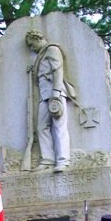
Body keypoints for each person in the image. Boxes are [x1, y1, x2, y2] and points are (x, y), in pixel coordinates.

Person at [25, 30, 76, 173]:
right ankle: (48, 160)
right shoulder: (41, 56)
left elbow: (57, 71)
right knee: (41, 127)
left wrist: (56, 93)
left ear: (37, 38)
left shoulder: (52, 49)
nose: (31, 48)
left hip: (55, 94)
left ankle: (63, 160)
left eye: (31, 44)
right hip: (44, 95)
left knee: (59, 126)